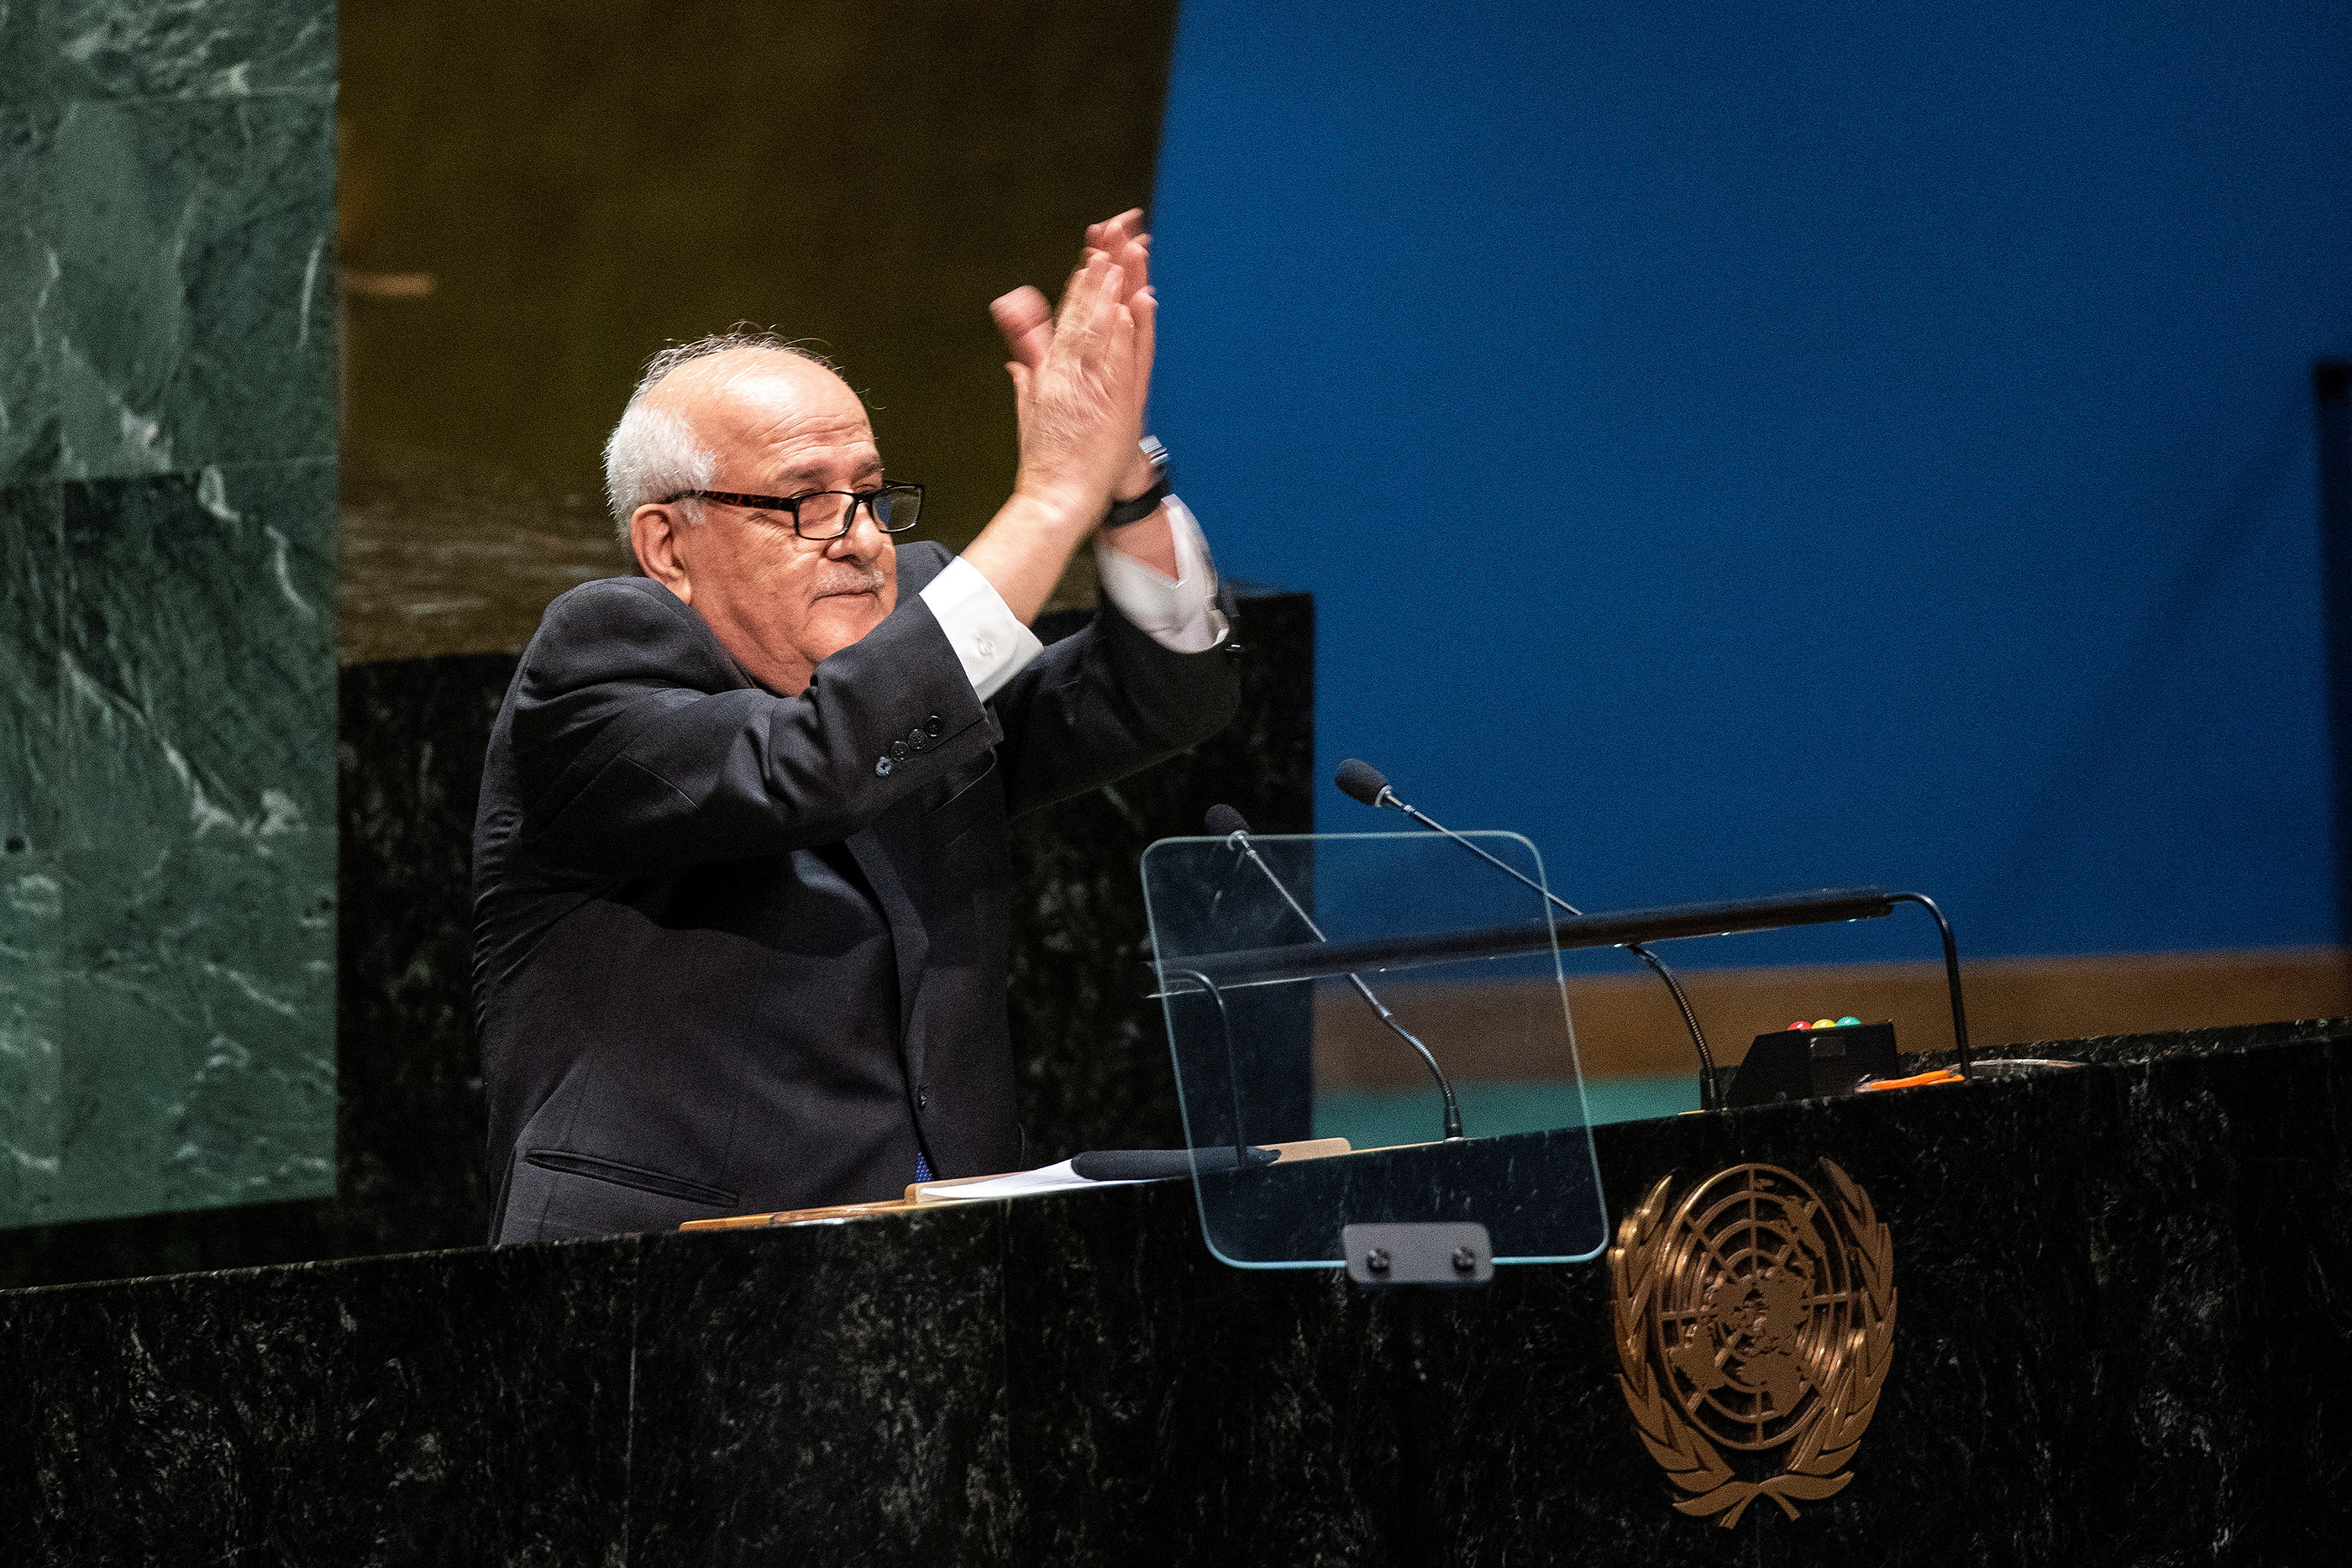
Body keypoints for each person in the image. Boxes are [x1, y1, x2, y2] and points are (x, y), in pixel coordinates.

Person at [472, 212, 1238, 1243]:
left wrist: (1120, 486)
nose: (863, 538)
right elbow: (807, 768)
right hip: (661, 1284)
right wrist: (1051, 491)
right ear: (667, 542)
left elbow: (1162, 694)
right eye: (804, 504)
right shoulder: (596, 663)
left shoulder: (905, 642)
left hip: (943, 1255)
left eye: (870, 495)